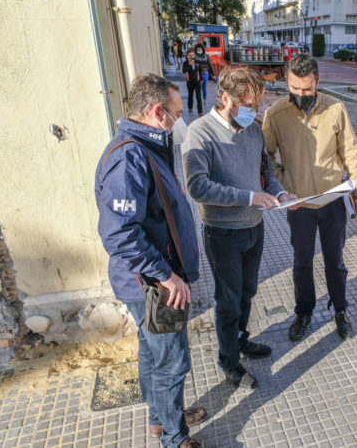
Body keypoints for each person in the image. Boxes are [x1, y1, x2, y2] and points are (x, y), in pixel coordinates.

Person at [95, 73, 205, 448]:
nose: (180, 120)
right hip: (154, 286)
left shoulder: (147, 146)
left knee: (152, 353)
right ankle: (175, 438)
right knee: (172, 362)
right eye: (176, 112)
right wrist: (167, 276)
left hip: (151, 282)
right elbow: (119, 233)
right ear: (157, 112)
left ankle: (161, 419)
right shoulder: (130, 157)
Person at [182, 66, 300, 388]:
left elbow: (266, 174)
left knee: (248, 293)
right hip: (222, 233)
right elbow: (197, 187)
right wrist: (249, 197)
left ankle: (241, 339)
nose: (255, 112)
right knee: (229, 301)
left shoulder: (254, 131)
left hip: (254, 229)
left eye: (257, 105)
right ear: (226, 99)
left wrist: (279, 192)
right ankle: (229, 361)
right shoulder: (200, 133)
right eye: (249, 106)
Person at [263, 55, 357, 342]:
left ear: (317, 83)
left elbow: (351, 153)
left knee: (335, 260)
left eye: (307, 89)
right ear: (287, 81)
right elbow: (266, 156)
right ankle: (304, 312)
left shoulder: (336, 109)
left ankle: (340, 310)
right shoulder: (276, 114)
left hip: (333, 201)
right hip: (299, 205)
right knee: (302, 262)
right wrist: (283, 186)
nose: (300, 95)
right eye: (294, 88)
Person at [182, 49, 203, 116]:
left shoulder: (197, 62)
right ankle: (190, 107)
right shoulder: (185, 63)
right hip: (190, 82)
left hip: (197, 81)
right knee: (190, 96)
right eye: (190, 55)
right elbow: (184, 71)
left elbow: (200, 71)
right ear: (187, 56)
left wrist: (201, 79)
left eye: (193, 55)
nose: (191, 56)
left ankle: (200, 111)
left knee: (198, 96)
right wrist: (190, 65)